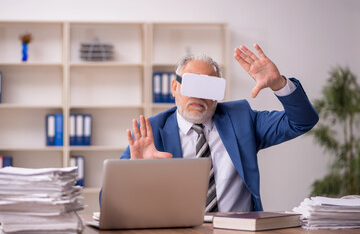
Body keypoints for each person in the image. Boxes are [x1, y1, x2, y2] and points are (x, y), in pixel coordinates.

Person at [121, 44, 319, 212]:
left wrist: (279, 84)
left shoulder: (242, 119)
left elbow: (302, 121)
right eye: (191, 84)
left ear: (218, 93)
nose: (198, 95)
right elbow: (111, 203)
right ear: (174, 88)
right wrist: (135, 172)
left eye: (208, 87)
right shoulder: (150, 132)